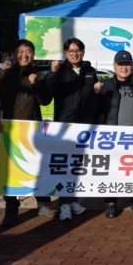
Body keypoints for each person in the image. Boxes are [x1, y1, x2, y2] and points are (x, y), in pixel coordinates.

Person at [0, 39, 54, 227]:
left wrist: (35, 85)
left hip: (32, 131)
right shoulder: (3, 76)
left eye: (28, 51)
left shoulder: (39, 76)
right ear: (14, 55)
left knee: (37, 167)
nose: (25, 55)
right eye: (20, 51)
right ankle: (11, 208)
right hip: (7, 131)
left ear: (33, 55)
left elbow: (45, 101)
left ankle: (43, 203)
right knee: (9, 171)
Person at [45, 38, 98, 221]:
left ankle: (74, 201)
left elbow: (93, 97)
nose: (75, 54)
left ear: (83, 52)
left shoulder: (90, 71)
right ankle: (64, 204)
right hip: (65, 125)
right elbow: (47, 93)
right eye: (71, 51)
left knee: (79, 167)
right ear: (65, 53)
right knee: (65, 167)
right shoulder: (59, 70)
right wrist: (52, 73)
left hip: (85, 126)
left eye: (78, 50)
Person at [95, 50, 133, 218]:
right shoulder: (105, 85)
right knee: (112, 171)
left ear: (132, 66)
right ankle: (111, 202)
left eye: (127, 64)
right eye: (121, 64)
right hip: (113, 137)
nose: (124, 68)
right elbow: (95, 109)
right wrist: (94, 93)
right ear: (114, 66)